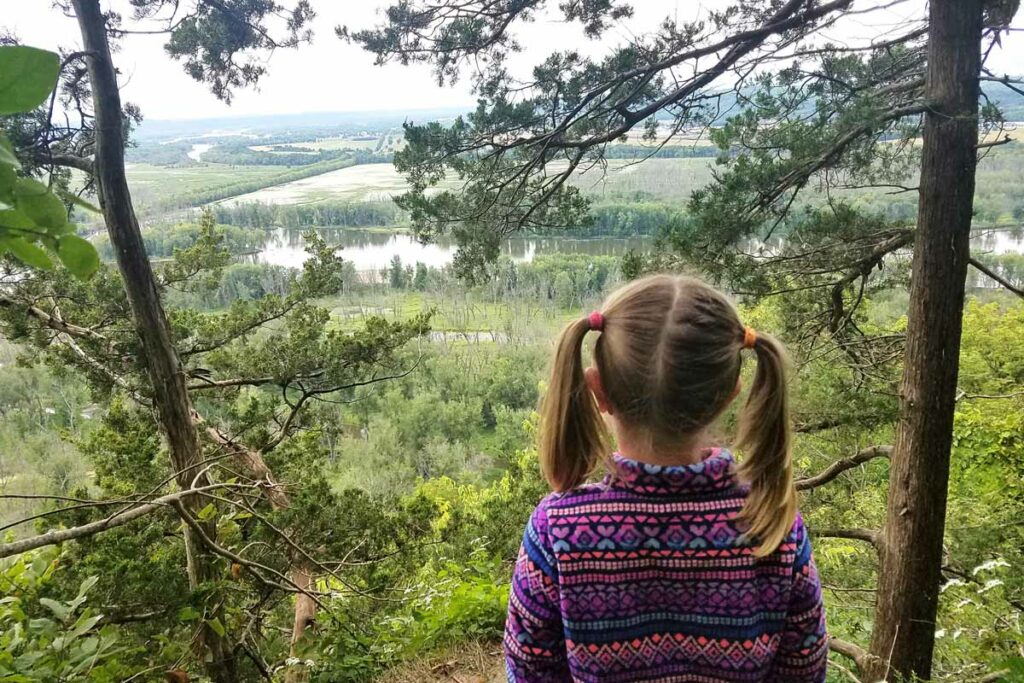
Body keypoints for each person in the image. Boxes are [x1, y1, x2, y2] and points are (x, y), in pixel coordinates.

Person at [503, 275, 827, 682]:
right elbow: (804, 672)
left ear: (597, 391)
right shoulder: (772, 526)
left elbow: (529, 671)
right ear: (729, 394)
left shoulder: (558, 529)